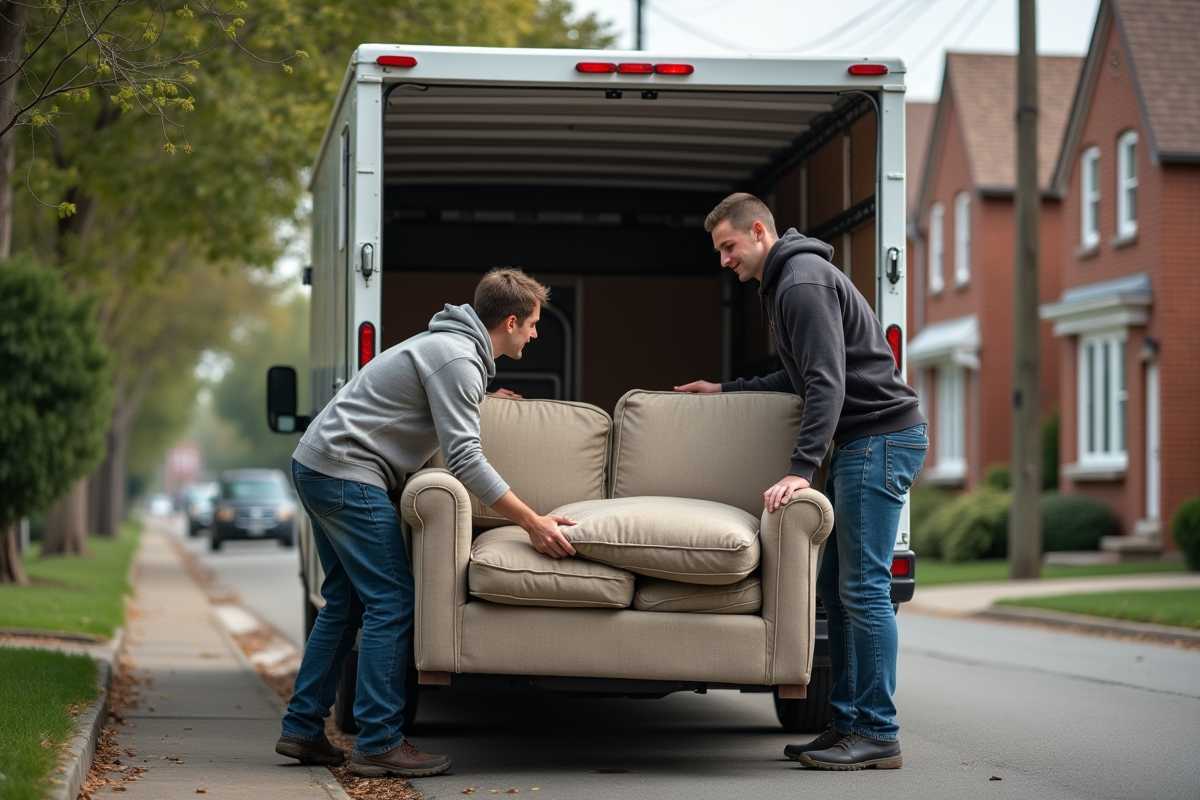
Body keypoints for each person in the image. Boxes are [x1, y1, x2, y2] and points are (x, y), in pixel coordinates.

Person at [275, 268, 577, 778]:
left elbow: (418, 402)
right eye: (533, 324)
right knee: (392, 599)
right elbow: (465, 459)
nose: (536, 333)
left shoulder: (449, 350)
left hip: (319, 464)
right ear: (509, 321)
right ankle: (379, 741)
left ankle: (303, 728)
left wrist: (477, 402)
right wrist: (531, 521)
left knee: (345, 602)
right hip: (347, 473)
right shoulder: (457, 359)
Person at [675, 193, 927, 771]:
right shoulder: (788, 283)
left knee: (863, 591)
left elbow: (827, 384)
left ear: (759, 232)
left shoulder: (800, 282)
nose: (724, 260)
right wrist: (727, 389)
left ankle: (879, 732)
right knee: (839, 592)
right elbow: (795, 379)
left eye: (728, 247)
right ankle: (846, 725)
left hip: (879, 440)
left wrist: (799, 471)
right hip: (866, 443)